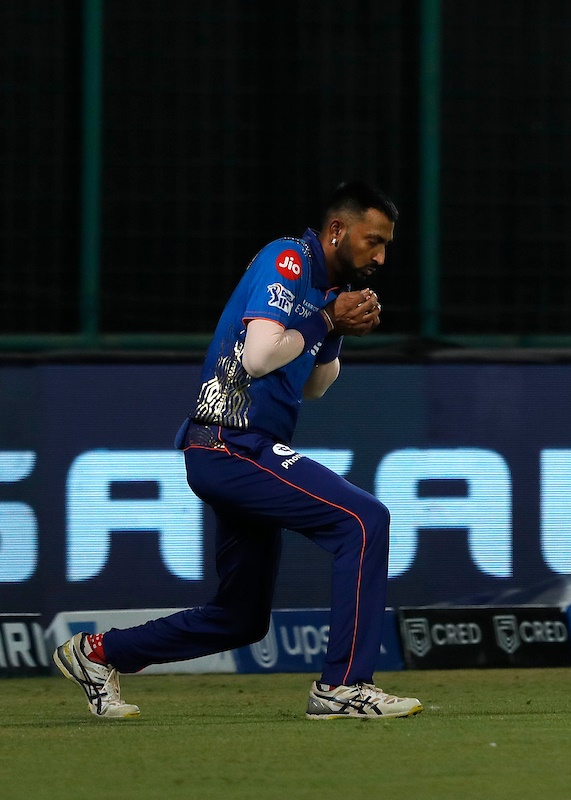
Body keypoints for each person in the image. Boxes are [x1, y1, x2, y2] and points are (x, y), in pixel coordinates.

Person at [53, 181, 422, 720]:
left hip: (240, 451)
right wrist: (326, 319)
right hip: (230, 446)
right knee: (364, 521)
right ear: (337, 231)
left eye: (387, 245)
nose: (381, 256)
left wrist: (336, 331)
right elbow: (257, 357)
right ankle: (342, 687)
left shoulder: (319, 290)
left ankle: (97, 653)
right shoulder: (289, 259)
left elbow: (315, 385)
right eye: (373, 241)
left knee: (240, 618)